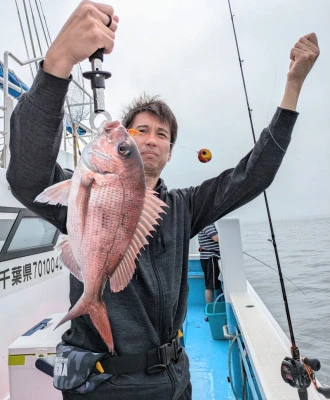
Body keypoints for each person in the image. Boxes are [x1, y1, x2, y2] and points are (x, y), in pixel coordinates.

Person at [6, 2, 320, 399]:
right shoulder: (86, 189)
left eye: (162, 134)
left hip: (173, 378)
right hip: (104, 385)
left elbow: (252, 174)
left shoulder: (184, 207)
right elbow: (27, 177)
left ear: (170, 151)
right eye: (140, 131)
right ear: (126, 141)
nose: (151, 139)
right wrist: (58, 66)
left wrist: (292, 87)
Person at [198, 223, 222, 305]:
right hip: (210, 258)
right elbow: (216, 238)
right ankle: (210, 310)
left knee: (212, 284)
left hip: (207, 257)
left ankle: (214, 307)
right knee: (210, 286)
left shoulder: (204, 223)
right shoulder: (207, 224)